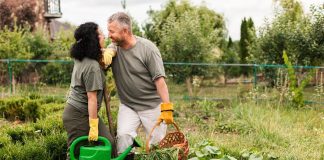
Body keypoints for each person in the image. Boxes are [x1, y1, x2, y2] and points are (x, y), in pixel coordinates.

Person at [106, 12, 174, 159]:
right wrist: (105, 55)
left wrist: (167, 107)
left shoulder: (147, 49)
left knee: (158, 146)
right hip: (128, 105)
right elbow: (106, 54)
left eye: (112, 31)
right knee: (123, 138)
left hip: (152, 106)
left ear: (125, 31)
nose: (109, 35)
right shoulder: (114, 49)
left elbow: (159, 81)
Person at [62, 22, 117, 159]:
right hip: (79, 115)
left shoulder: (82, 57)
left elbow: (97, 60)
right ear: (93, 39)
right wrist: (93, 126)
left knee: (109, 143)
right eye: (101, 34)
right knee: (75, 153)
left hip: (80, 111)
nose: (105, 37)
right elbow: (92, 98)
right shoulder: (92, 66)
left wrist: (108, 53)